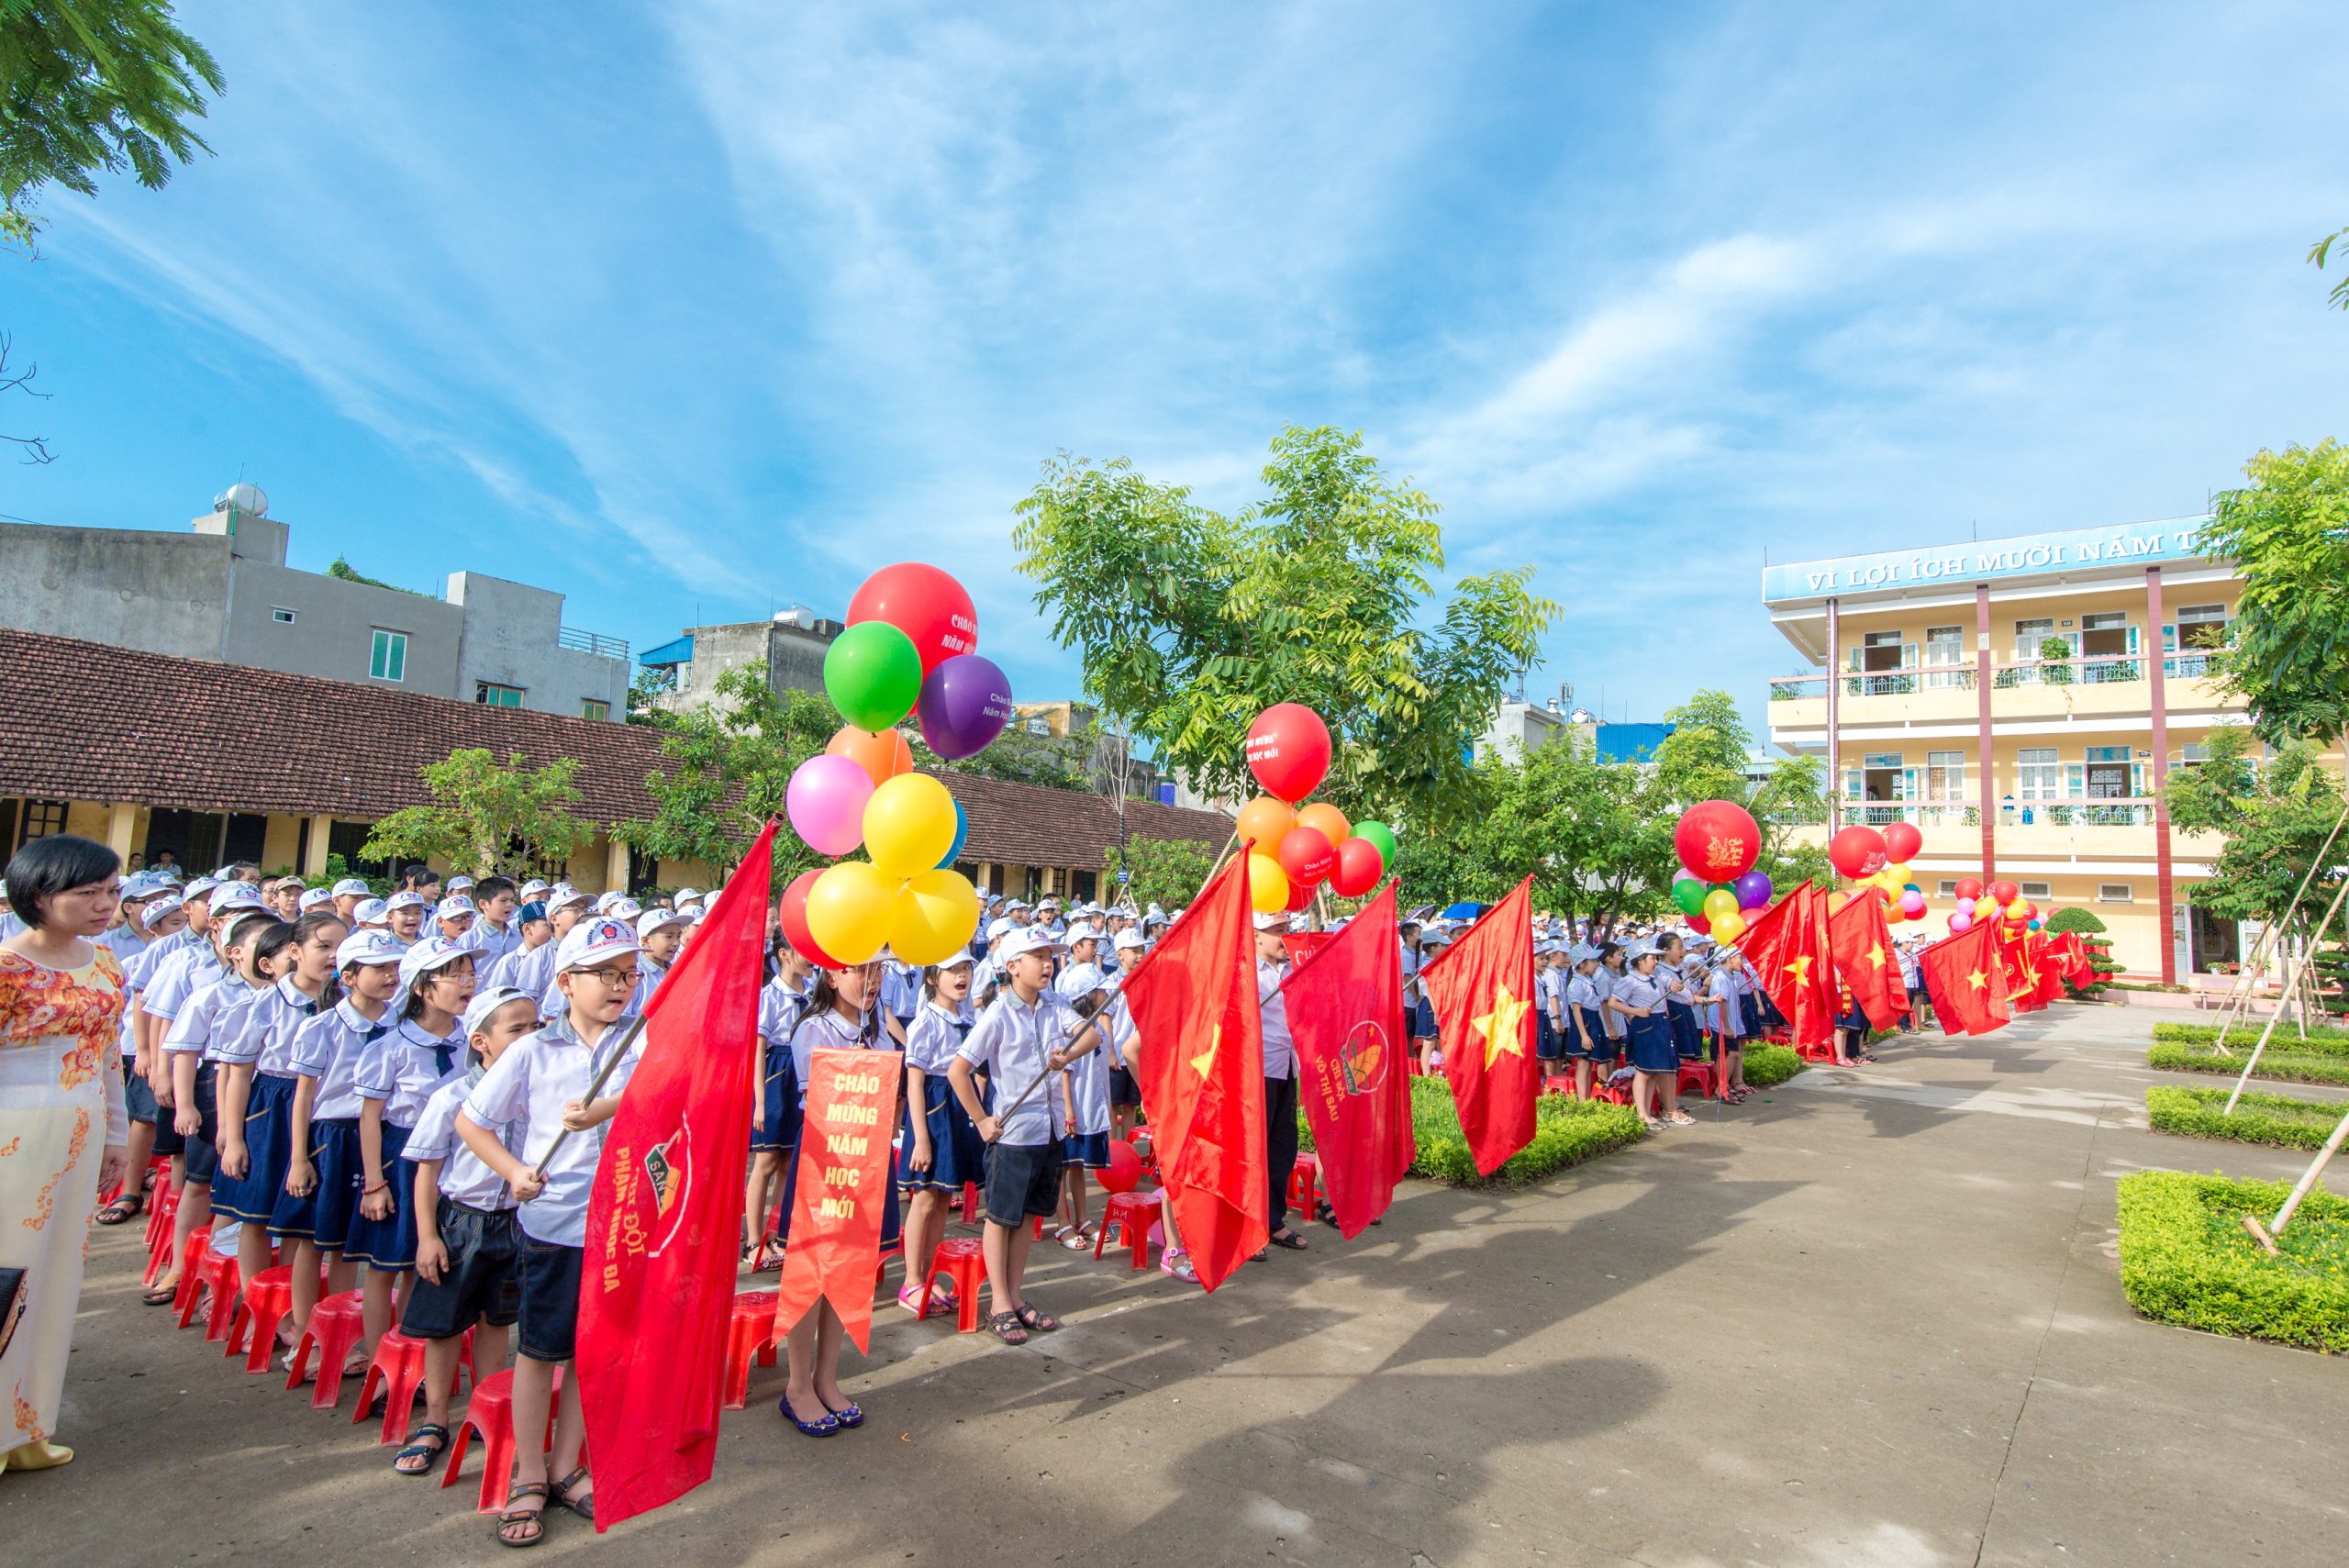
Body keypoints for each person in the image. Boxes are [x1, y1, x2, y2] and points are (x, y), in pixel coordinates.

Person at [457, 914, 646, 1545]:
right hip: (554, 1226)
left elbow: (669, 1095)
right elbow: (472, 1121)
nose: (619, 986)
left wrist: (606, 1108)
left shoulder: (641, 1041)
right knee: (541, 1351)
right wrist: (514, 1172)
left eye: (628, 974)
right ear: (566, 982)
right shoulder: (532, 1050)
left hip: (621, 1224)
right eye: (604, 974)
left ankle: (568, 1466)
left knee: (596, 1351)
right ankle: (530, 1472)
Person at [0, 835, 129, 1472]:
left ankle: (25, 1426)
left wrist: (116, 1135)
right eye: (88, 893)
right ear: (39, 895)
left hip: (80, 1133)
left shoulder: (105, 961)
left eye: (112, 891)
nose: (106, 904)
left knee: (54, 1279)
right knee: (7, 1275)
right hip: (13, 1137)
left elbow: (108, 1056)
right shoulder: (6, 967)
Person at [392, 984, 535, 1478]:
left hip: (516, 1223)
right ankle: (435, 1420)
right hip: (461, 1224)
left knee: (497, 1320)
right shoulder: (452, 1096)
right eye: (516, 1029)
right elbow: (427, 1172)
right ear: (480, 1041)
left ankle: (486, 1407)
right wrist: (428, 1237)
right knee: (445, 1325)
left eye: (536, 1027)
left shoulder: (536, 1094)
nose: (530, 1037)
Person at [947, 929, 1097, 1346]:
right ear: (1013, 966)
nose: (1047, 963)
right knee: (1001, 1219)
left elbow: (1093, 1035)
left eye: (1049, 955)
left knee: (1028, 1217)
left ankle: (1014, 1297)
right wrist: (981, 1120)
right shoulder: (997, 1014)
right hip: (1013, 1135)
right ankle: (998, 1303)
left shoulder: (1055, 1005)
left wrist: (1067, 1055)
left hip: (1048, 1130)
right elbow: (958, 1071)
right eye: (1037, 956)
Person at [210, 912, 347, 1313]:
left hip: (320, 1111)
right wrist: (232, 1136)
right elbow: (238, 1074)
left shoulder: (344, 1003)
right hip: (272, 1109)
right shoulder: (265, 1003)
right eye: (323, 946)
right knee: (256, 1215)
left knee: (297, 1218)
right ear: (295, 951)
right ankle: (260, 1310)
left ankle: (288, 1309)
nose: (333, 956)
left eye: (341, 948)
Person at [777, 956, 893, 1433]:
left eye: (878, 970)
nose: (871, 979)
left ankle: (826, 1378)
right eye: (858, 969)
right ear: (830, 975)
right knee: (811, 1275)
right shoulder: (813, 1030)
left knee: (846, 1274)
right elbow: (819, 1106)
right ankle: (797, 1387)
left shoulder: (881, 1033)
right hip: (824, 1165)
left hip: (866, 1165)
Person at [282, 929, 407, 1365]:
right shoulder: (322, 1027)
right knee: (317, 1238)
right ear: (348, 977)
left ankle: (347, 1337)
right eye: (379, 968)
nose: (390, 976)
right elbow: (304, 1097)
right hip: (332, 1139)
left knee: (352, 1244)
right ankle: (308, 1336)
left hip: (380, 1137)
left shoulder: (401, 1024)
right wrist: (299, 1158)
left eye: (395, 967)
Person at [348, 939, 475, 1362]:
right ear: (421, 987)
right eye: (456, 976)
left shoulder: (473, 1040)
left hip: (456, 1154)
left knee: (431, 1262)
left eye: (470, 974)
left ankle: (416, 1358)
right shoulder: (390, 1047)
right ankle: (379, 1359)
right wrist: (374, 1183)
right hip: (402, 1158)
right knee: (388, 1264)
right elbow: (370, 1118)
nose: (468, 983)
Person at [152, 905, 280, 1305]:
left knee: (242, 1188)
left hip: (266, 1096)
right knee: (200, 1183)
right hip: (214, 1091)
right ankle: (179, 1267)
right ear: (235, 952)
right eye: (262, 943)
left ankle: (231, 1279)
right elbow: (186, 1051)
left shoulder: (288, 995)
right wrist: (185, 1106)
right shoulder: (212, 993)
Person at [896, 955, 981, 1319]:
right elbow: (915, 1084)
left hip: (958, 1109)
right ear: (932, 978)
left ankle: (929, 1276)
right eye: (952, 970)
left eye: (966, 969)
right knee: (925, 1198)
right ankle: (911, 1281)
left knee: (944, 1198)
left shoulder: (968, 1019)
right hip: (933, 1113)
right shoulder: (925, 1023)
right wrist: (921, 1138)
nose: (962, 976)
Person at [746, 933, 814, 1273]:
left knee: (789, 1161)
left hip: (801, 1076)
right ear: (784, 954)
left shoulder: (813, 991)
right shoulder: (769, 996)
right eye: (804, 950)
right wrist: (760, 1102)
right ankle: (753, 1240)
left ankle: (777, 1233)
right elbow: (758, 1050)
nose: (811, 958)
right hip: (776, 1076)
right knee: (766, 1160)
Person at [1252, 912, 1309, 1256]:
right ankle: (1249, 1227)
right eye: (1277, 931)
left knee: (1282, 1148)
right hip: (1257, 1070)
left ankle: (1273, 1220)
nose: (1284, 937)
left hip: (1288, 1066)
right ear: (1257, 935)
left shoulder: (1293, 969)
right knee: (1254, 1152)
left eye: (1287, 930)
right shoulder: (1246, 973)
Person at [1609, 944, 1685, 1129]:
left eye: (1657, 958)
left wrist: (1675, 985)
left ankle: (1648, 1113)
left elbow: (1670, 982)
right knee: (1643, 1071)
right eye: (1652, 958)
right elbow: (1613, 1002)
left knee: (1653, 1072)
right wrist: (1635, 1011)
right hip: (1645, 1025)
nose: (1656, 962)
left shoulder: (1655, 976)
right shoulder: (1630, 980)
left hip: (1660, 1022)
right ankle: (1641, 1114)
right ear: (1640, 961)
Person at [1564, 944, 1609, 1099]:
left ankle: (1587, 1098)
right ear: (1582, 964)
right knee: (1583, 1064)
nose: (1596, 964)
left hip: (1593, 1020)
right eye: (1593, 961)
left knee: (1589, 1064)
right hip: (1585, 1024)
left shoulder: (1588, 980)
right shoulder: (1576, 984)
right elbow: (1576, 1010)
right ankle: (1582, 1101)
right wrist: (1584, 1035)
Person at [1709, 948, 1753, 1102]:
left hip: (1730, 1024)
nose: (1742, 961)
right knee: (1728, 1054)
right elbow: (1721, 1002)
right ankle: (1721, 1088)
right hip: (1721, 1024)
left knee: (1730, 1054)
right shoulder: (1721, 978)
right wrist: (1727, 1026)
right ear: (1730, 959)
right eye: (1740, 958)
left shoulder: (1730, 977)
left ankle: (1724, 1086)